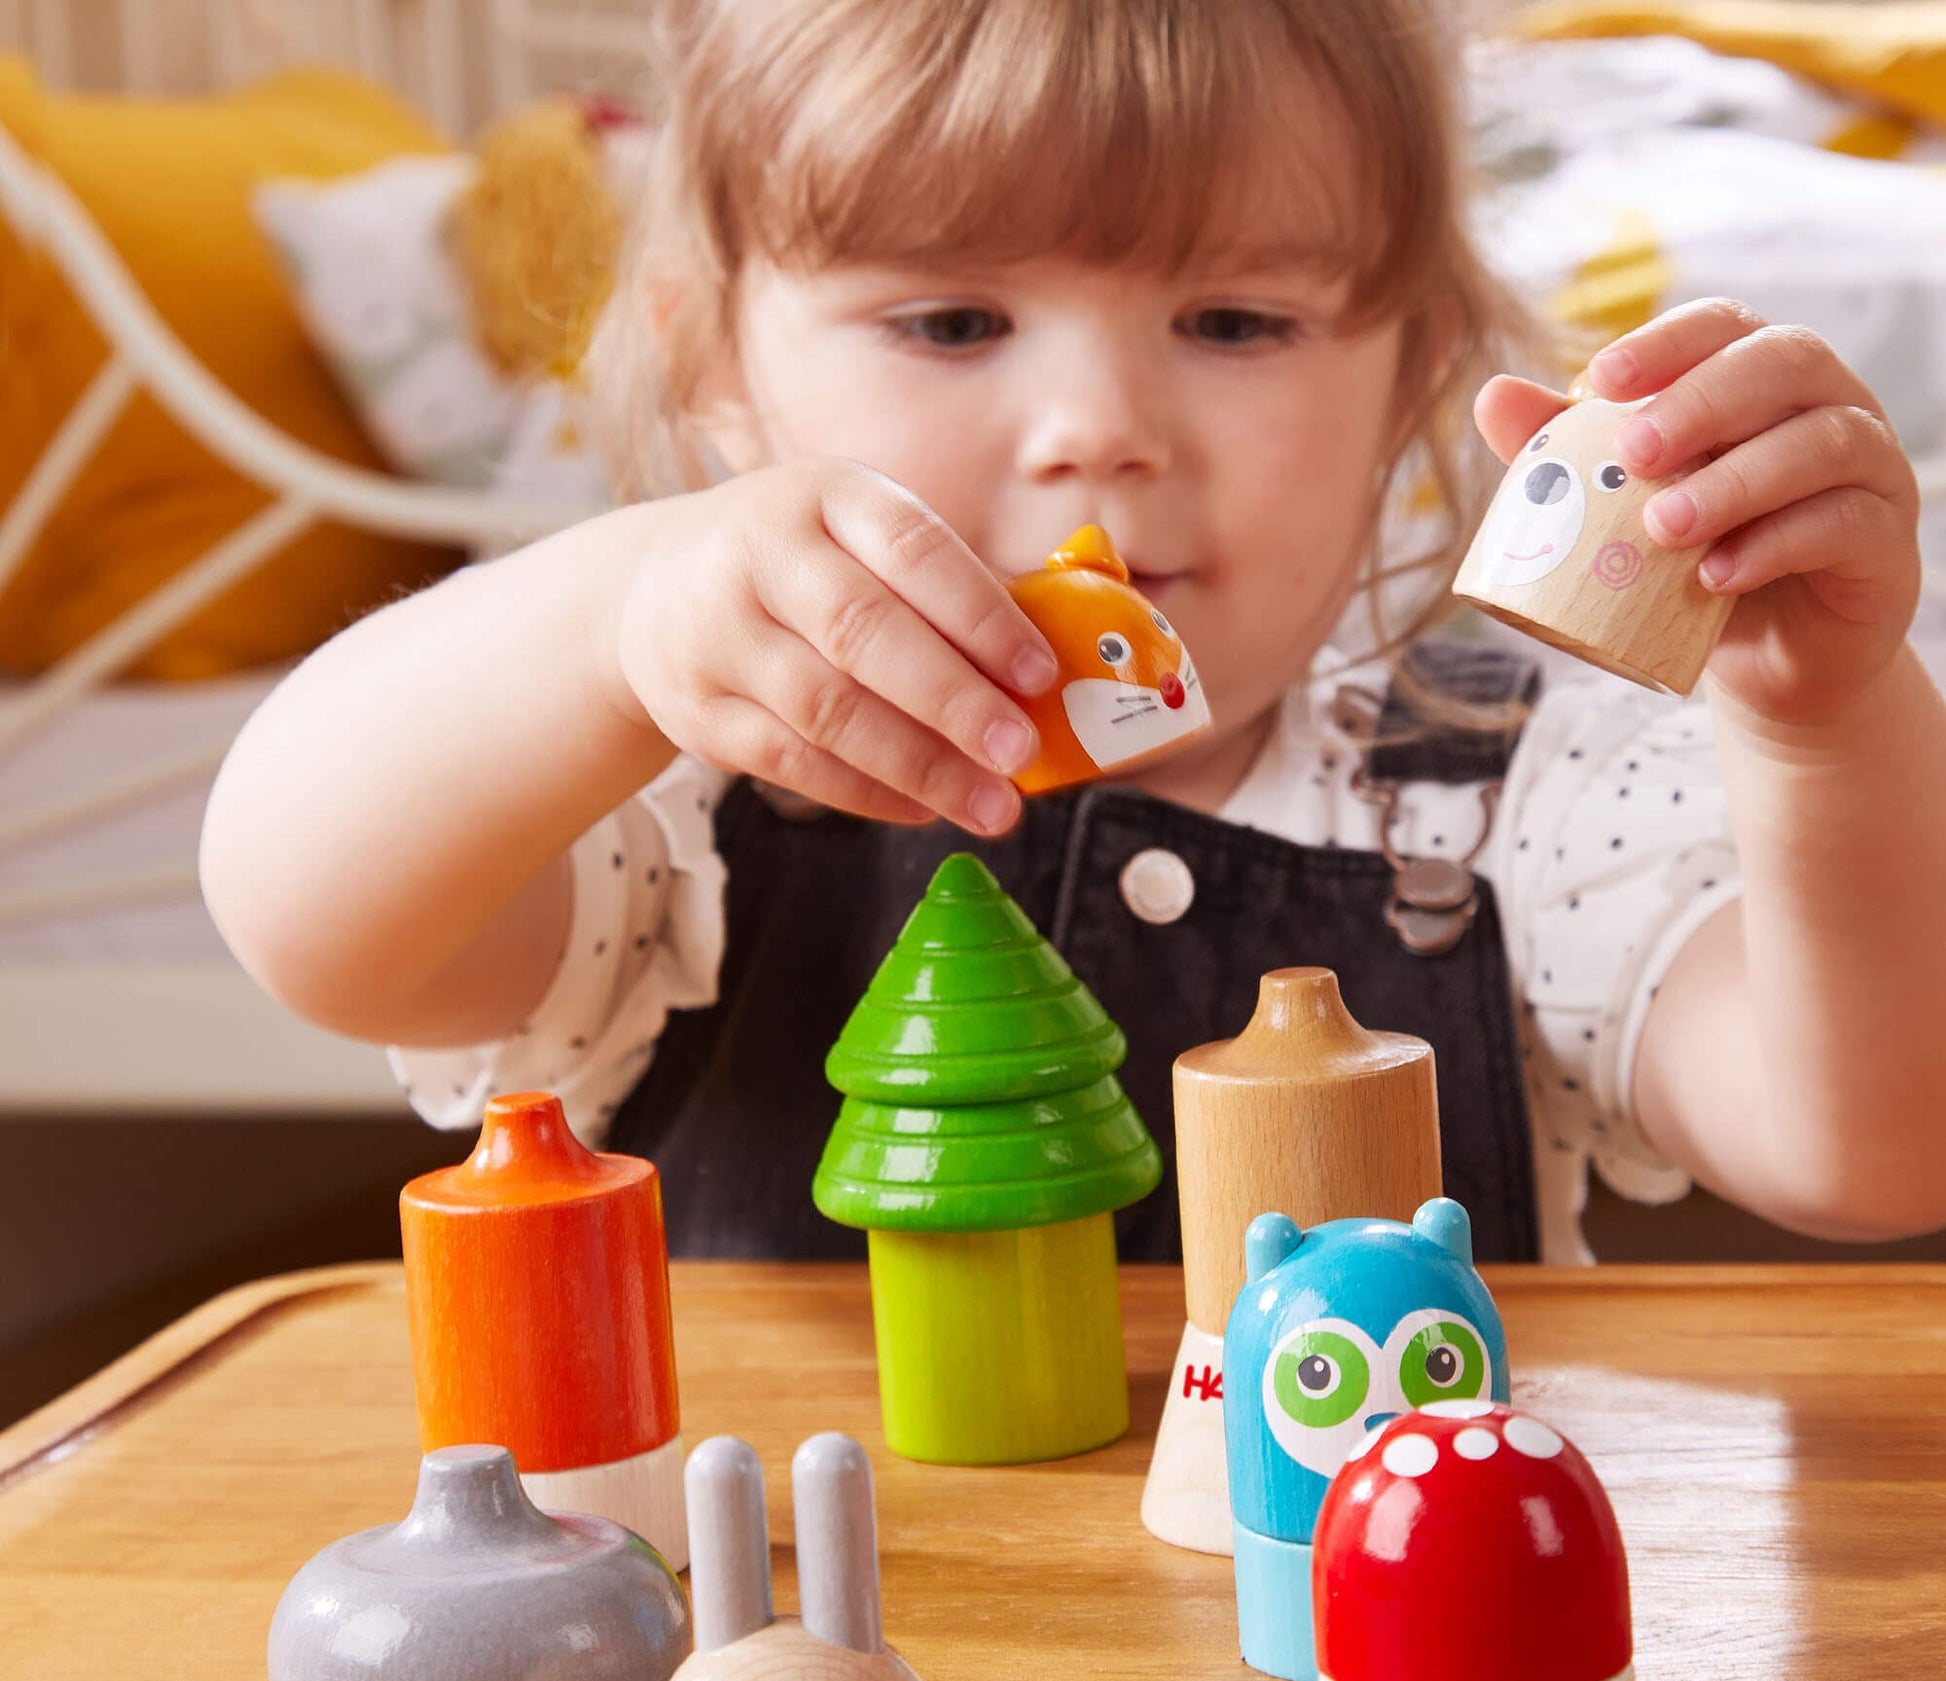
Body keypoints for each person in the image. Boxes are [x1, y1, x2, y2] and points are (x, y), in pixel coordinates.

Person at [200, 0, 1946, 1266]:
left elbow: (1873, 1147)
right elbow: (311, 919)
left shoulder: (1505, 787)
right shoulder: (675, 803)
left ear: (1408, 368)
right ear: (718, 371)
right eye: (954, 319)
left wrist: (1822, 730)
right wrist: (604, 622)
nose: (1098, 424)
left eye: (1236, 319)